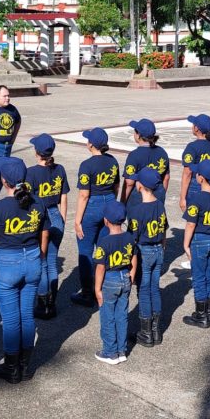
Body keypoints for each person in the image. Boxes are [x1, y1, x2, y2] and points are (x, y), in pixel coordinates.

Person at [0, 158, 50, 384]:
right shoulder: (38, 203)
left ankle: (12, 367)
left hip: (7, 264)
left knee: (11, 320)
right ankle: (26, 365)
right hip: (32, 260)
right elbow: (45, 233)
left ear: (4, 180)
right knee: (27, 315)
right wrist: (38, 255)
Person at [73, 128, 120, 307]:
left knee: (85, 251)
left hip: (92, 206)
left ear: (91, 144)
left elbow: (84, 195)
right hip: (108, 201)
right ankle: (103, 286)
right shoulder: (112, 161)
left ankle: (87, 293)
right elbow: (116, 185)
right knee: (103, 249)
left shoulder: (87, 165)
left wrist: (77, 220)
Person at [26, 133, 69, 320]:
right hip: (56, 215)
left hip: (40, 217)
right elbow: (64, 197)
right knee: (51, 261)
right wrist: (63, 219)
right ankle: (52, 303)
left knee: (42, 261)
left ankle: (43, 303)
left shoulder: (31, 172)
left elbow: (27, 200)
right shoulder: (59, 169)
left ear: (36, 152)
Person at [182, 160, 210, 328]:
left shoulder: (196, 198)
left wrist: (186, 245)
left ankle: (201, 315)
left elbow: (191, 223)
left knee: (199, 277)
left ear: (200, 178)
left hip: (200, 240)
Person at [128, 168, 168, 348]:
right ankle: (156, 330)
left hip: (144, 251)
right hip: (159, 248)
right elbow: (164, 228)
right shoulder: (160, 204)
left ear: (141, 186)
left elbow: (132, 238)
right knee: (154, 288)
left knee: (144, 290)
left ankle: (145, 333)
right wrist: (162, 246)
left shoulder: (137, 211)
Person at [92, 201, 135, 364]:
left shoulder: (104, 242)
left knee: (108, 315)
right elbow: (134, 258)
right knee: (122, 314)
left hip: (110, 280)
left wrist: (97, 289)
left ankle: (110, 352)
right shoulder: (129, 238)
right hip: (125, 276)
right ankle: (121, 350)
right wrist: (131, 275)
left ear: (106, 220)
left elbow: (100, 268)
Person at [120, 118, 170, 209]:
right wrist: (161, 195)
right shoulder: (162, 152)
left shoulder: (134, 155)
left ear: (138, 135)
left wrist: (122, 202)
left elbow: (129, 183)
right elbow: (166, 178)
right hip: (157, 192)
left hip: (139, 195)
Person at [180, 114, 210, 212]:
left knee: (194, 217)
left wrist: (182, 197)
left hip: (196, 184)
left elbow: (187, 173)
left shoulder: (192, 147)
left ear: (196, 128)